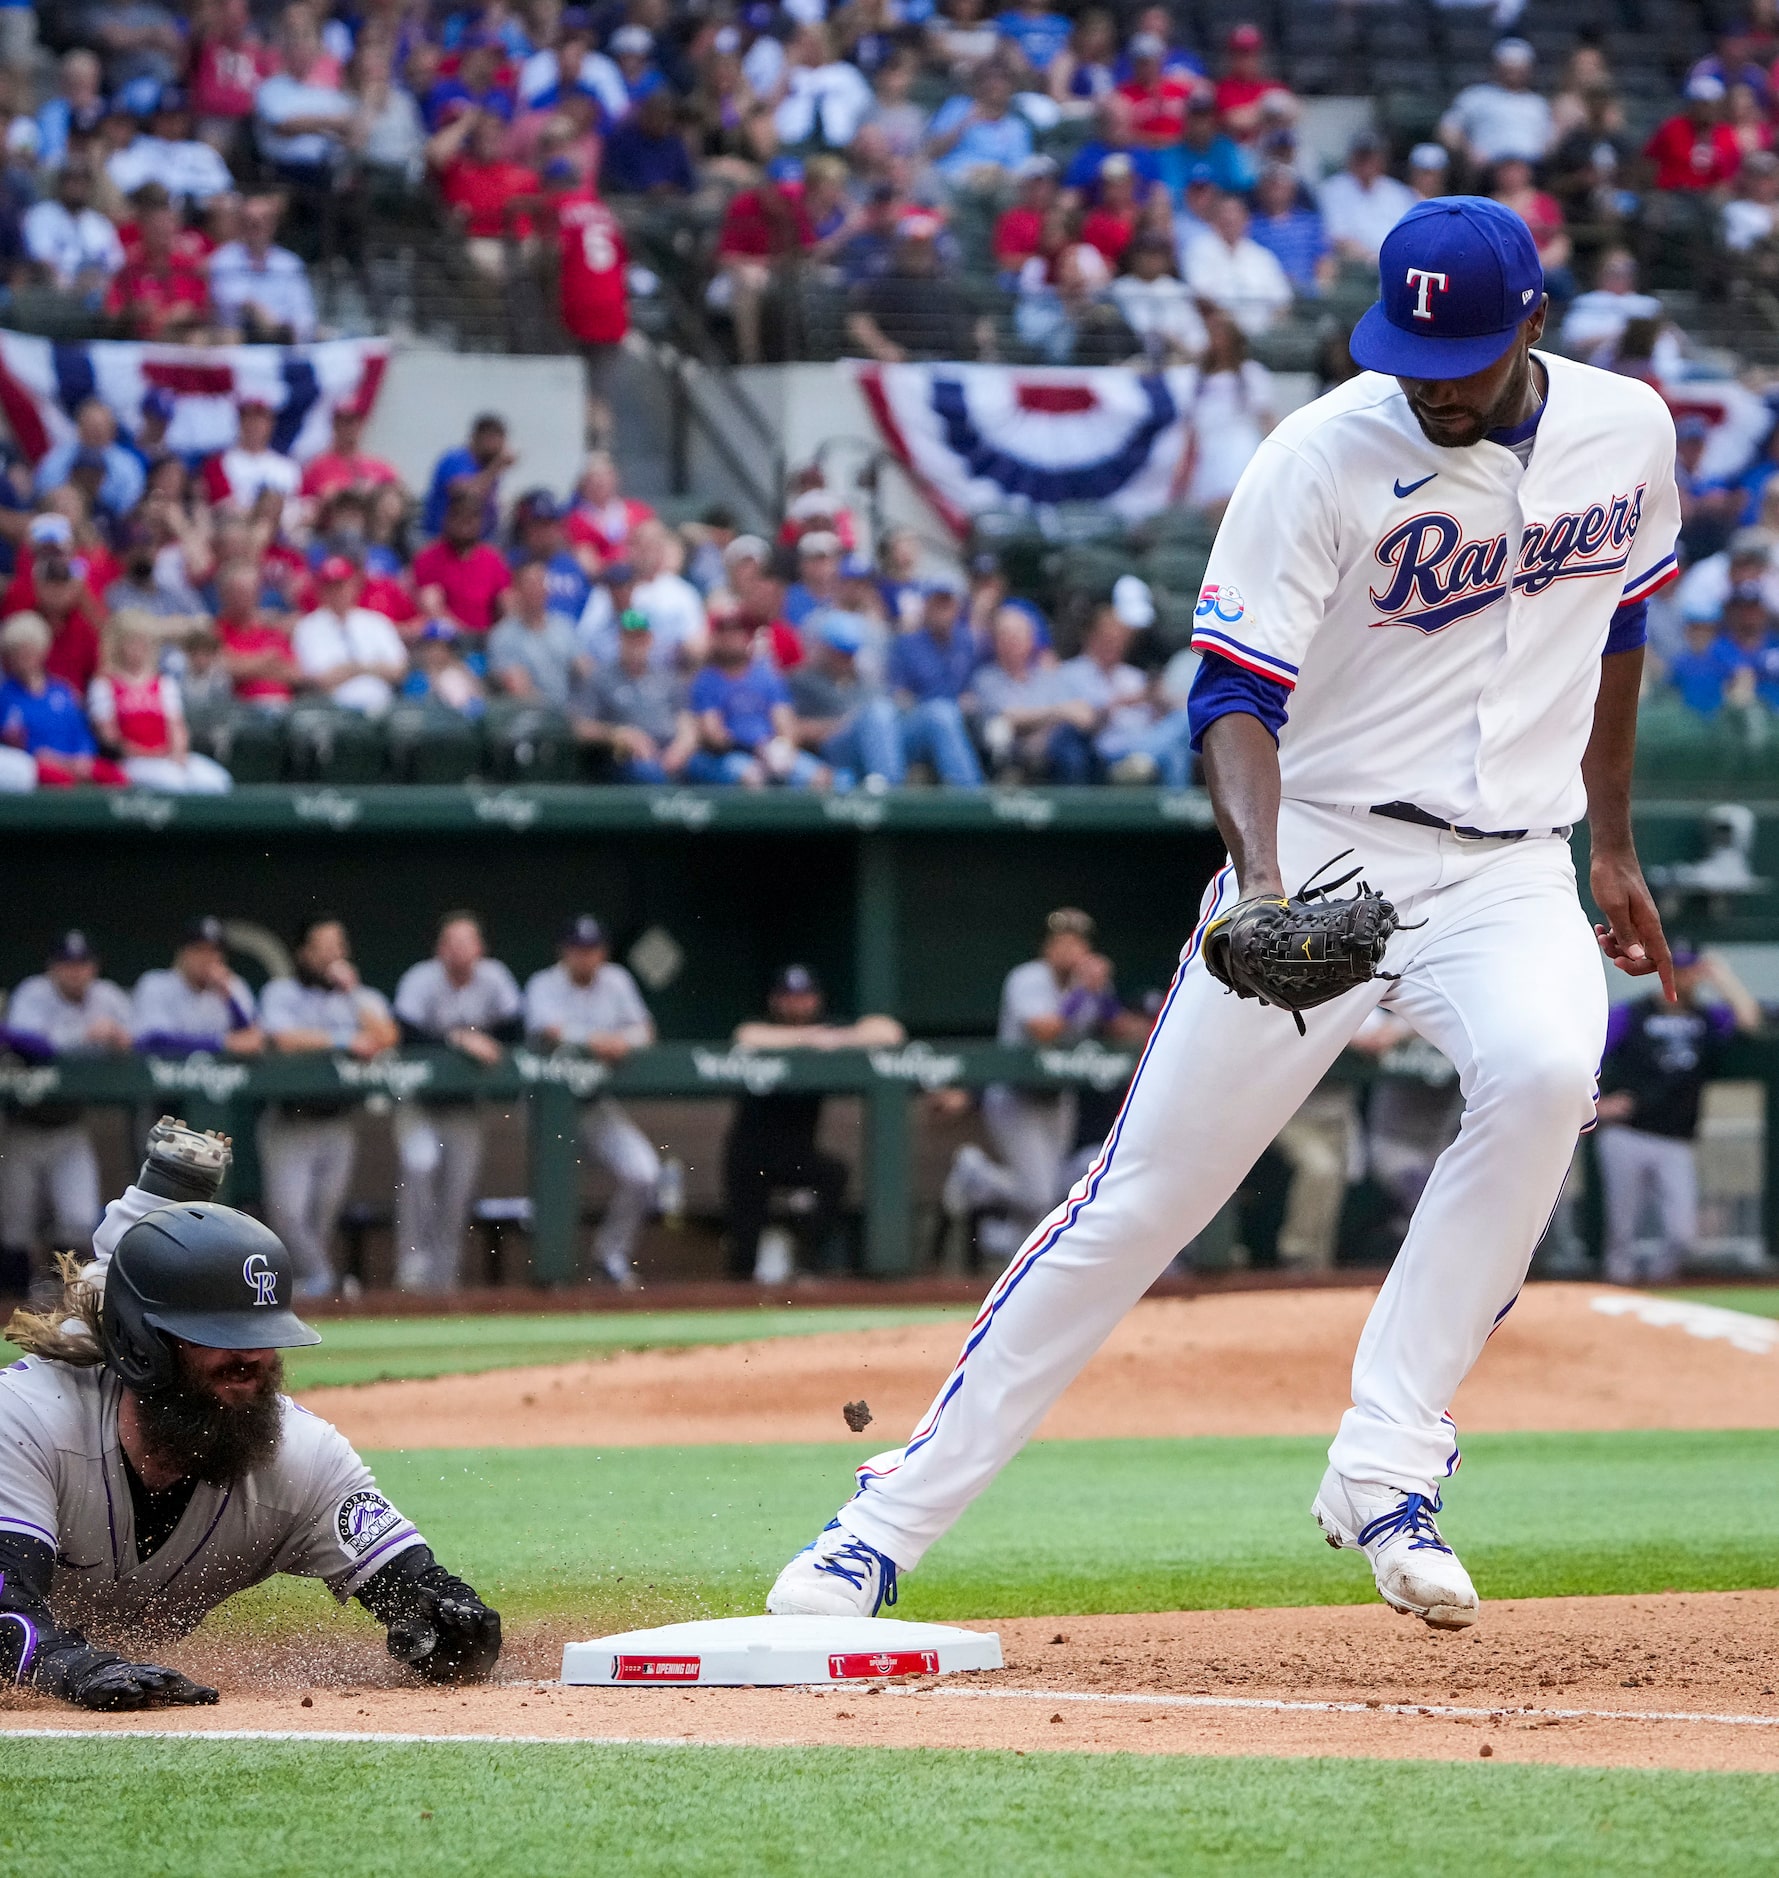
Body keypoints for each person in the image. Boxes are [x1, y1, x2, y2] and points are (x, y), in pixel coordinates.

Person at [766, 197, 1682, 1636]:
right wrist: (1260, 887)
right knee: (1140, 1203)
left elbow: (1620, 618)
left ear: (1534, 324)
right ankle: (876, 1526)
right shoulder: (1317, 455)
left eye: (1458, 352)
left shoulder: (1626, 429)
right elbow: (1229, 697)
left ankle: (1385, 1467)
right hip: (1324, 844)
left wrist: (1612, 842)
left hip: (1516, 862)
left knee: (1547, 1073)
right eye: (1407, 350)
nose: (1428, 379)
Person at [0, 1175, 499, 1709]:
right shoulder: (30, 1421)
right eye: (222, 1334)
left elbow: (416, 1588)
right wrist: (73, 1665)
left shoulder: (302, 1457)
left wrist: (455, 1627)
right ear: (143, 1343)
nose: (252, 1358)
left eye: (265, 1333)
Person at [941, 909, 1117, 1252]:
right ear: (1046, 948)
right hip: (1014, 1095)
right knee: (1038, 1194)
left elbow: (1119, 1028)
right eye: (1060, 942)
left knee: (1046, 1197)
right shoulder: (1027, 978)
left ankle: (1010, 1254)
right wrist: (1082, 992)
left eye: (1076, 942)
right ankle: (974, 1173)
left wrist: (1103, 995)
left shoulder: (1090, 980)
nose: (1069, 949)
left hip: (1058, 1097)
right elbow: (1044, 1031)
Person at [722, 965, 904, 1279]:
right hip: (750, 1155)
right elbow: (745, 1036)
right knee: (744, 1259)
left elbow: (890, 1032)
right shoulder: (767, 1029)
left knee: (834, 1175)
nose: (798, 1004)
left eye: (805, 996)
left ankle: (805, 1259)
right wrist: (807, 1038)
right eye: (790, 997)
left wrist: (836, 1038)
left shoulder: (827, 1029)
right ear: (776, 1001)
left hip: (796, 1155)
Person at [1596, 945, 1762, 1284]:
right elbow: (1590, 1053)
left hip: (1676, 1138)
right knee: (1621, 1233)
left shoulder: (1705, 1018)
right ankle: (1617, 1303)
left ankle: (1657, 1292)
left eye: (1688, 970)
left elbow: (1749, 1019)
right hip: (1628, 1132)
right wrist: (1598, 1105)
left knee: (1682, 1235)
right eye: (1675, 969)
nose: (1682, 976)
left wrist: (1721, 975)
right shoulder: (1632, 1013)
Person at [257, 917, 399, 1299]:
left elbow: (386, 1036)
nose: (334, 955)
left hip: (337, 1121)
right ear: (305, 953)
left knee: (321, 1221)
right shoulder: (281, 992)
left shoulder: (358, 997)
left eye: (339, 946)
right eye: (325, 947)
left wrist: (352, 994)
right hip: (290, 1120)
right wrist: (344, 1038)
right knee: (288, 1214)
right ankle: (321, 1281)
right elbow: (283, 1039)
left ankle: (308, 1293)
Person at [523, 914, 660, 1290]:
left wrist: (622, 1042)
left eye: (592, 948)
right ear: (563, 951)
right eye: (577, 949)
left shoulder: (617, 981)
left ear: (603, 951)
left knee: (643, 1171)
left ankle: (609, 1257)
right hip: (550, 1109)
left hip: (595, 1105)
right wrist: (594, 1040)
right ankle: (552, 1272)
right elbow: (547, 1029)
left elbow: (645, 1032)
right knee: (554, 1187)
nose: (585, 956)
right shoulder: (544, 983)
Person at [391, 913, 523, 1291]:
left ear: (480, 949)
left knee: (457, 1195)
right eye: (450, 942)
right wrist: (460, 1040)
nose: (458, 950)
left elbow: (516, 1027)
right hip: (419, 1102)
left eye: (466, 942)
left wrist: (486, 1041)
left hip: (465, 1106)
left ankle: (444, 1283)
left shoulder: (494, 978)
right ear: (439, 949)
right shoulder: (420, 978)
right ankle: (412, 1268)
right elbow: (406, 1035)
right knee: (420, 1165)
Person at [0, 930, 132, 1293]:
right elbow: (26, 1043)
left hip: (70, 1126)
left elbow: (143, 1041)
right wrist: (83, 1039)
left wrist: (122, 1040)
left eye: (82, 964)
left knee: (77, 1219)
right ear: (53, 968)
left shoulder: (108, 997)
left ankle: (68, 1306)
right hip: (24, 1126)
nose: (75, 972)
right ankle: (9, 1310)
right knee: (15, 1227)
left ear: (94, 967)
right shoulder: (33, 992)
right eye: (67, 964)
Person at [86, 612, 233, 794]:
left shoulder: (163, 683)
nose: (139, 648)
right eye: (132, 641)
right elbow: (110, 738)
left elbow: (177, 726)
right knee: (172, 783)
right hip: (130, 761)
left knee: (216, 781)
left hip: (166, 756)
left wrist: (177, 753)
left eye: (144, 642)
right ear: (118, 645)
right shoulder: (104, 685)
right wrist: (148, 753)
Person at [687, 611, 826, 787]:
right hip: (729, 754)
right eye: (724, 633)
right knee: (752, 778)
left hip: (771, 750)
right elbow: (714, 736)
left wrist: (780, 748)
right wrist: (755, 749)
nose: (730, 638)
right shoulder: (706, 681)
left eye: (737, 632)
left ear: (748, 637)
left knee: (819, 777)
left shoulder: (767, 676)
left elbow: (786, 725)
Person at [0, 610, 126, 789]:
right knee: (59, 780)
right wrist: (45, 757)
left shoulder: (63, 691)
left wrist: (83, 757)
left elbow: (81, 730)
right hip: (38, 766)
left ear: (41, 651)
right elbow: (13, 742)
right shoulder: (5, 696)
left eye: (29, 650)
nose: (24, 657)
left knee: (116, 777)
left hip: (76, 761)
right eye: (17, 652)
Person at [884, 583, 986, 785]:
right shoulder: (906, 644)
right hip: (918, 725)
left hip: (965, 723)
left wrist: (971, 700)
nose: (942, 611)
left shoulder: (968, 642)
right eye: (936, 604)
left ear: (957, 608)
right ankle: (972, 800)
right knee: (941, 714)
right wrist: (940, 706)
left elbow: (980, 685)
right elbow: (899, 698)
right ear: (925, 607)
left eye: (947, 604)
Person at [131, 916, 263, 1057]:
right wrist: (221, 1044)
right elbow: (153, 1040)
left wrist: (229, 1000)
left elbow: (252, 1042)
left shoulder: (233, 987)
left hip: (222, 1076)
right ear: (182, 952)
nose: (207, 957)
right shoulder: (156, 984)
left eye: (214, 950)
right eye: (199, 949)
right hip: (164, 1074)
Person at [292, 557, 408, 717]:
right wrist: (371, 667)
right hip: (333, 713)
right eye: (331, 586)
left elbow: (398, 670)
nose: (337, 592)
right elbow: (320, 679)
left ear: (354, 586)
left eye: (342, 585)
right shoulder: (307, 627)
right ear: (321, 590)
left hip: (382, 710)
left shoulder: (376, 622)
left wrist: (350, 669)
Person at [208, 194, 318, 343]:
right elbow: (226, 302)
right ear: (241, 224)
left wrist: (280, 326)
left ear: (273, 225)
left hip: (285, 339)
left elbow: (304, 313)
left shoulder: (290, 264)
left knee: (327, 335)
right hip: (239, 338)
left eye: (262, 221)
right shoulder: (223, 260)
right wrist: (254, 309)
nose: (256, 227)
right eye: (250, 222)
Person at [1181, 193, 1293, 339]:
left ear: (1246, 220)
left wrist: (1267, 331)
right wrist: (1234, 327)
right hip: (1214, 331)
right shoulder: (1198, 249)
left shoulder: (1263, 256)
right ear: (1214, 220)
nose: (1230, 221)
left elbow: (1283, 302)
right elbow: (1201, 296)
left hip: (1261, 335)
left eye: (1235, 217)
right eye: (1225, 217)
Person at [1438, 38, 1554, 171]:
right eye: (1508, 69)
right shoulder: (1475, 96)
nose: (1513, 74)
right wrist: (1468, 151)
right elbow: (1448, 129)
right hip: (1488, 170)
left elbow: (1549, 141)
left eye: (1518, 69)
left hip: (1530, 171)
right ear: (1496, 67)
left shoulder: (1538, 104)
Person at [412, 490, 513, 636]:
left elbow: (506, 601)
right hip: (446, 638)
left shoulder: (493, 559)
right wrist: (465, 634)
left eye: (472, 518)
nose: (465, 524)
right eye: (459, 516)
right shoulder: (429, 558)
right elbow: (430, 606)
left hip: (487, 637)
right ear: (448, 518)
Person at [487, 561, 583, 707]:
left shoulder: (563, 626)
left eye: (541, 582)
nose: (538, 589)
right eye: (531, 584)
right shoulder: (503, 636)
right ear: (517, 590)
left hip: (573, 710)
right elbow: (519, 689)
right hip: (533, 717)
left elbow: (586, 671)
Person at [1318, 130, 1417, 266]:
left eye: (1371, 156)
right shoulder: (1334, 189)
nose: (1366, 162)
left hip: (1395, 261)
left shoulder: (1398, 192)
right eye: (1361, 156)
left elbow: (1408, 234)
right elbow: (1338, 238)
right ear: (1351, 157)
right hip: (1355, 268)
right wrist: (1371, 258)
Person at [422, 413, 515, 540]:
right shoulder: (456, 459)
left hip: (479, 541)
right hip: (439, 538)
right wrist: (496, 467)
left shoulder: (486, 465)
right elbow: (464, 494)